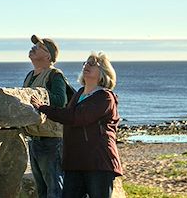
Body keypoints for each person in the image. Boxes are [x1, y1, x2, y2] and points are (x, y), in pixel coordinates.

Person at [30, 51, 123, 198]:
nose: (87, 65)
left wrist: (43, 108)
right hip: (75, 162)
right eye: (86, 63)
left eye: (92, 64)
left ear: (104, 72)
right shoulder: (79, 93)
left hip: (98, 163)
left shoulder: (105, 97)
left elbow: (75, 118)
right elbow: (69, 115)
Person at [23, 35, 72, 198]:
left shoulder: (55, 75)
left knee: (55, 188)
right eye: (34, 46)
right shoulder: (30, 75)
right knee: (41, 189)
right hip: (34, 138)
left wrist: (40, 96)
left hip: (52, 139)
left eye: (39, 47)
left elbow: (60, 100)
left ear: (48, 56)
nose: (33, 48)